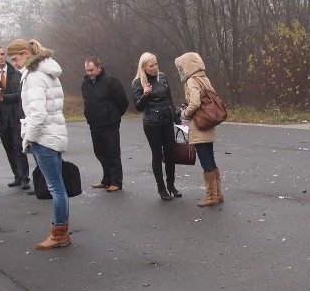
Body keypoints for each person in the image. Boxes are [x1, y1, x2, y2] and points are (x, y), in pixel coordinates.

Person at [7, 39, 70, 249]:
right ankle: (62, 231)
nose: (14, 64)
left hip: (44, 138)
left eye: (15, 59)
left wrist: (30, 139)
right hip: (54, 134)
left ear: (26, 54)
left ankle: (59, 232)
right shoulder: (47, 72)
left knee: (56, 188)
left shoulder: (34, 76)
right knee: (58, 187)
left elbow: (38, 113)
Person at [174, 52, 223, 207]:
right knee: (211, 158)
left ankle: (211, 197)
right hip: (209, 123)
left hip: (200, 125)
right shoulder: (204, 78)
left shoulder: (192, 81)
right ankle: (218, 194)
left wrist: (184, 113)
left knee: (205, 161)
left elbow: (195, 103)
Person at [131, 52, 183, 201]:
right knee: (157, 154)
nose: (155, 68)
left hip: (166, 120)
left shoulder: (163, 77)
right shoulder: (137, 83)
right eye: (151, 65)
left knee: (170, 153)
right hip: (152, 123)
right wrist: (145, 94)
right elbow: (139, 107)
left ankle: (171, 185)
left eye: (156, 64)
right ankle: (161, 187)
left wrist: (177, 119)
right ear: (144, 67)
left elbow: (169, 99)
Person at [0, 46, 30, 191]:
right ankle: (17, 175)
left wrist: (4, 98)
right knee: (9, 147)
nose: (1, 57)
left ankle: (24, 178)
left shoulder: (16, 73)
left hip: (16, 116)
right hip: (1, 118)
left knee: (19, 147)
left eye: (3, 54)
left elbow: (21, 95)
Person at [82, 56, 129, 192]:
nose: (89, 73)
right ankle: (106, 179)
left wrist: (113, 115)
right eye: (87, 70)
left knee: (112, 153)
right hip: (94, 124)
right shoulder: (85, 83)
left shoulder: (111, 82)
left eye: (91, 70)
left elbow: (123, 102)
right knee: (100, 153)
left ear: (99, 67)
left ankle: (116, 181)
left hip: (109, 124)